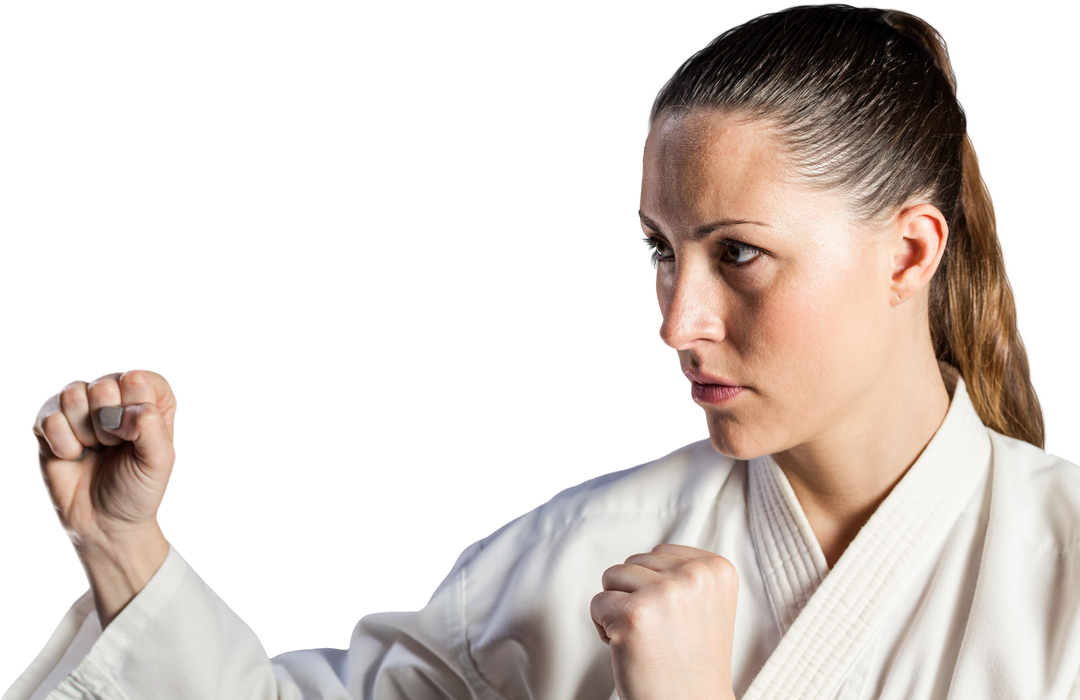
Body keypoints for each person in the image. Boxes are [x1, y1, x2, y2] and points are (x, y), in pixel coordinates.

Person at [7, 2, 1079, 698]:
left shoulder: (1065, 563)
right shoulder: (579, 555)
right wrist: (120, 546)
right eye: (662, 251)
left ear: (908, 251)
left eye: (741, 254)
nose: (675, 321)